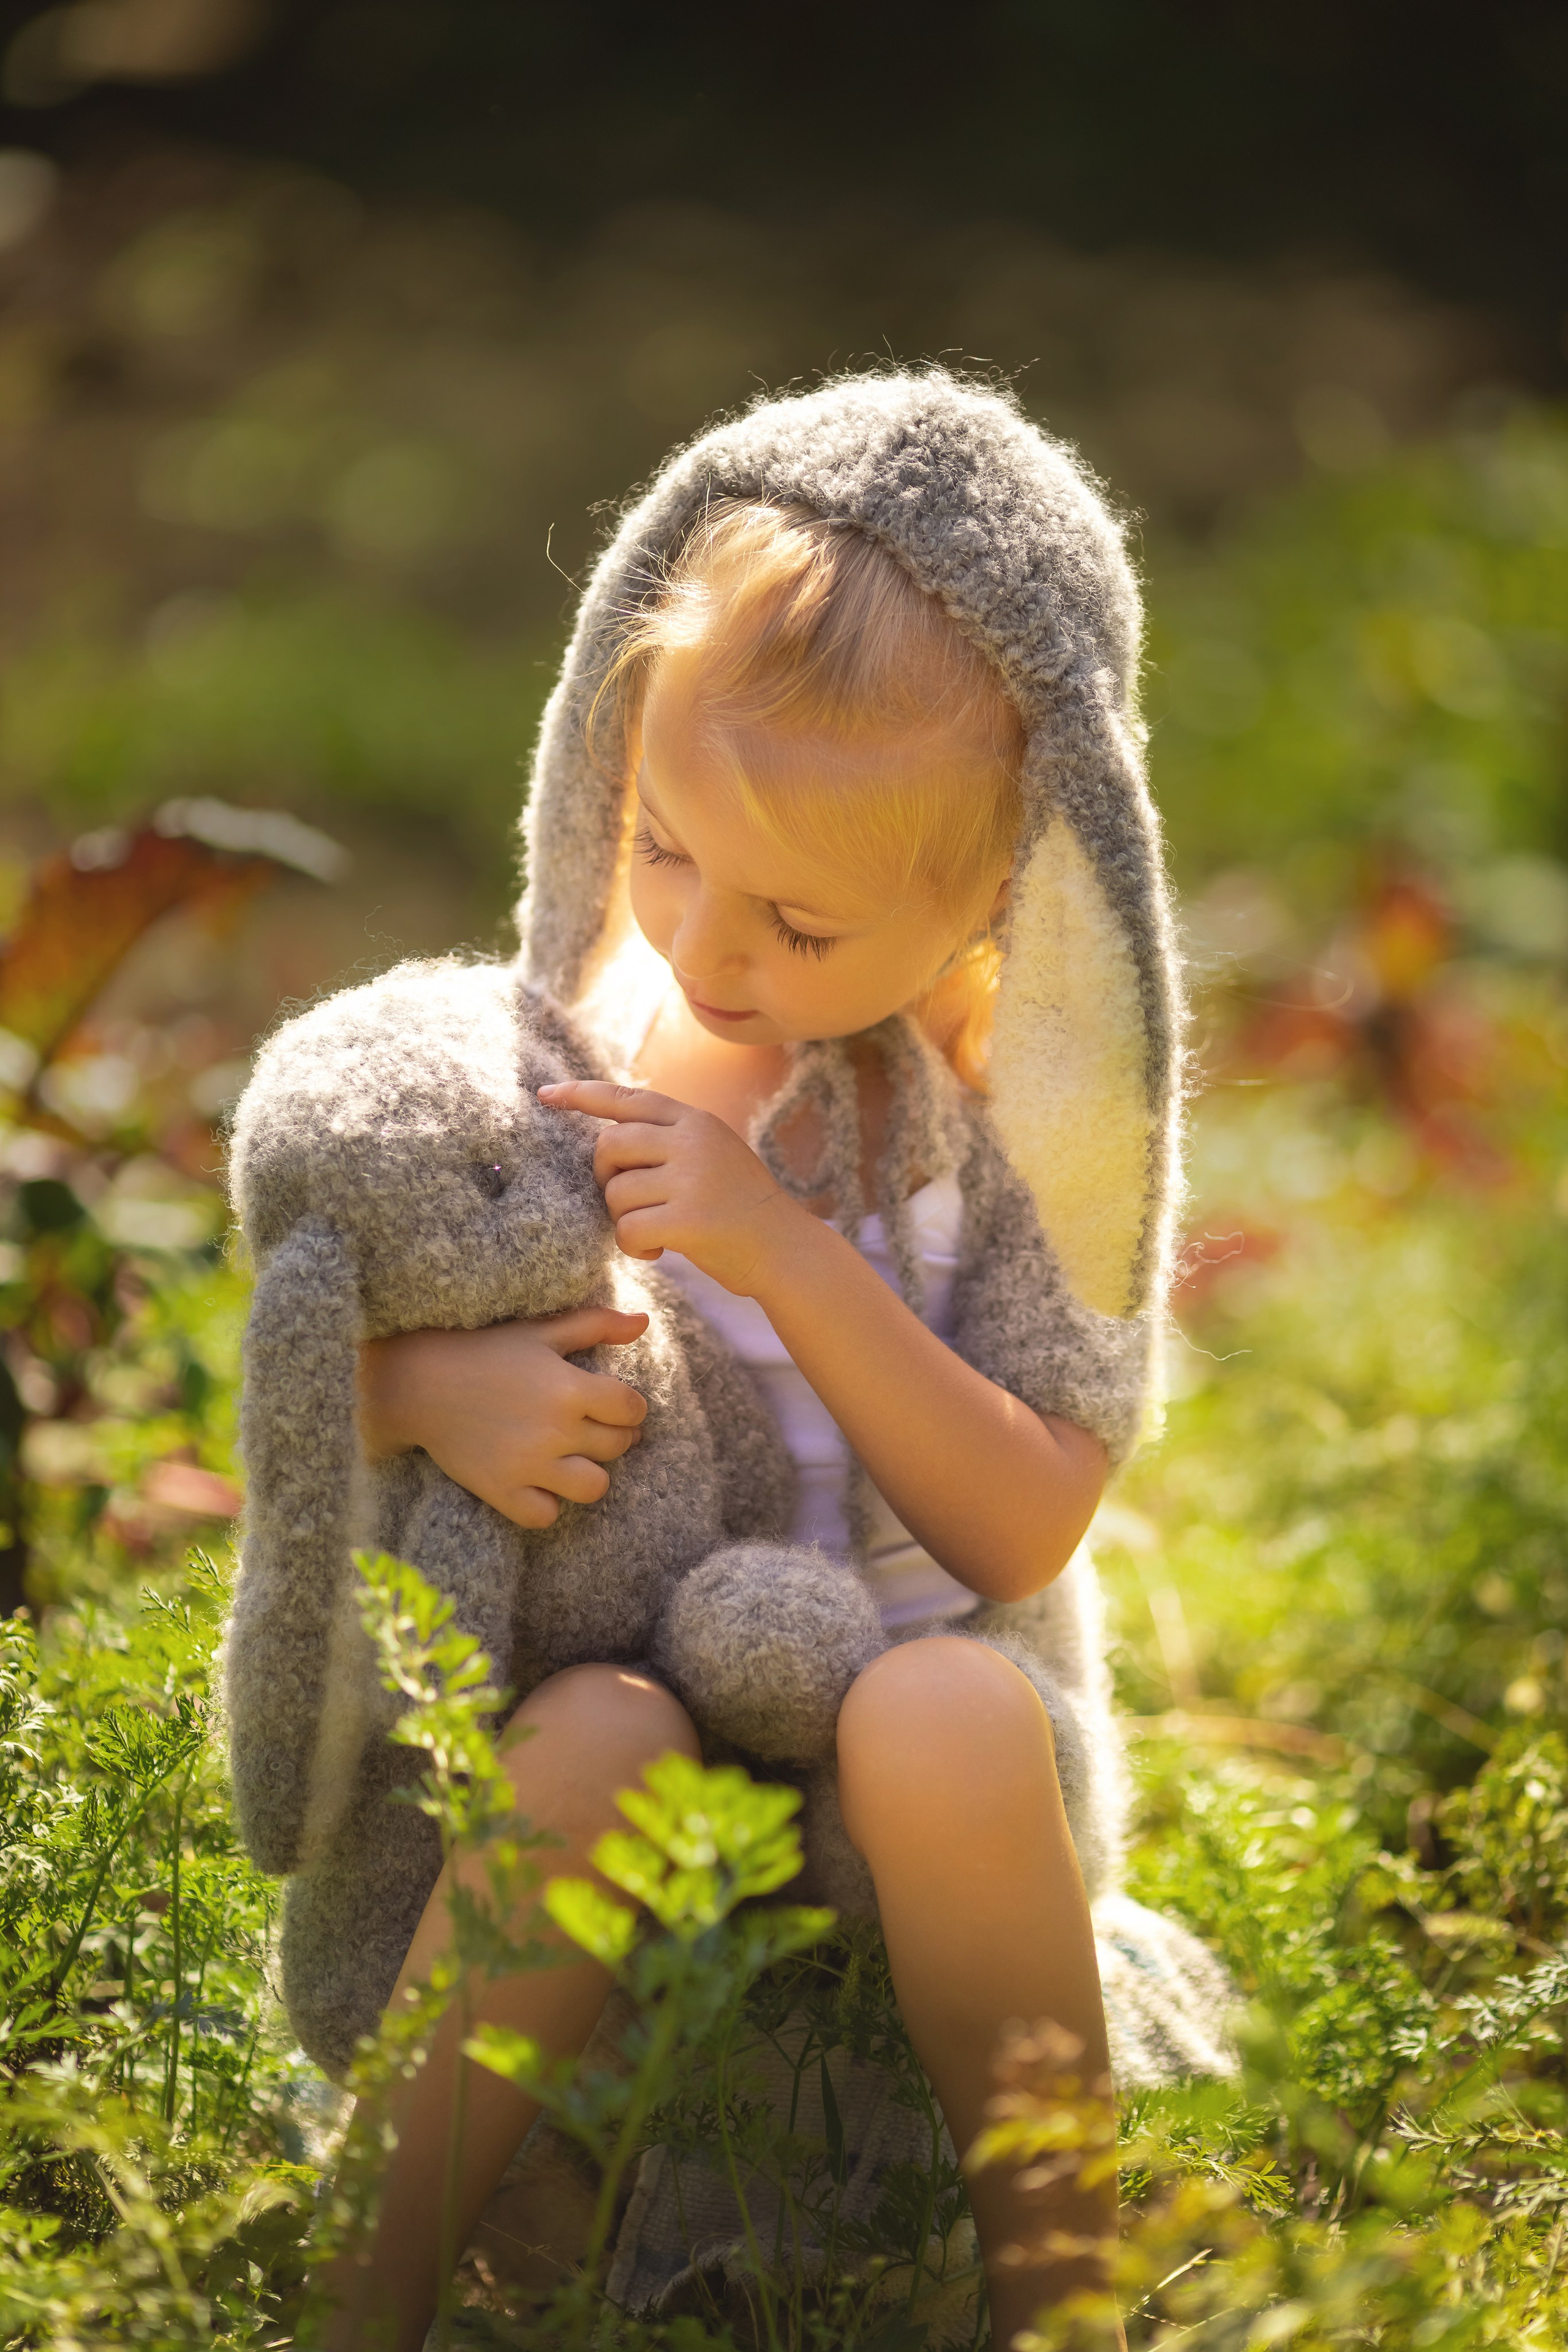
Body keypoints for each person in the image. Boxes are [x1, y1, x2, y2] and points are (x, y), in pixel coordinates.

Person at [322, 373, 1186, 2350]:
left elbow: (1028, 1525)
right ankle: (361, 2279)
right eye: (659, 844)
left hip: (911, 1802)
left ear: (999, 892)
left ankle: (1063, 2296)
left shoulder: (1025, 1132)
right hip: (638, 1751)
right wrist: (430, 1395)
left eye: (797, 922)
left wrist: (789, 1255)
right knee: (593, 1734)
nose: (707, 950)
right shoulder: (548, 1062)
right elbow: (313, 1368)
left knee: (947, 1715)